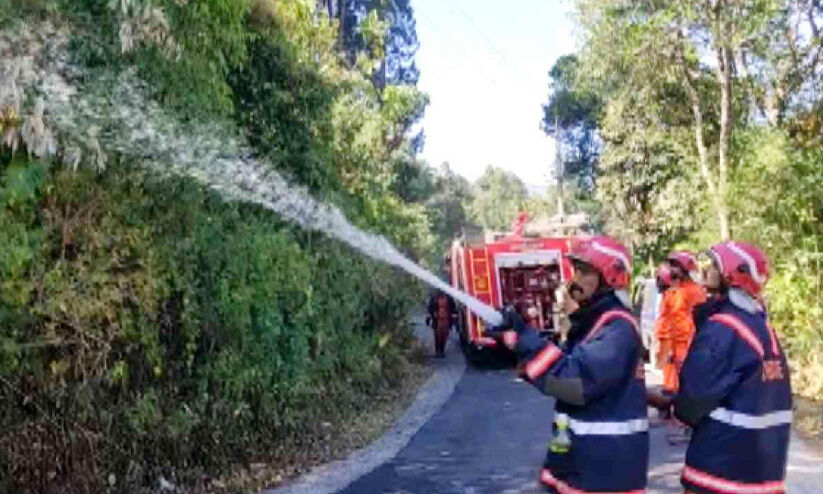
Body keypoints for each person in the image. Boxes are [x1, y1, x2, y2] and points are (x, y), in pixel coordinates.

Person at [488, 236, 648, 493]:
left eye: (584, 272)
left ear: (610, 278)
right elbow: (559, 365)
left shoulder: (617, 328)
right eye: (576, 271)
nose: (575, 280)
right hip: (582, 464)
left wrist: (523, 340)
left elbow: (573, 381)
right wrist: (516, 343)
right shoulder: (595, 322)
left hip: (604, 474)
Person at [650, 241, 792, 494]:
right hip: (764, 476)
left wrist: (673, 405)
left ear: (732, 275)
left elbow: (692, 402)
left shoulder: (723, 329)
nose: (706, 270)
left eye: (714, 265)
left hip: (719, 473)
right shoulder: (761, 328)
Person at [659, 251, 707, 396]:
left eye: (675, 266)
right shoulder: (674, 292)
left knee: (686, 384)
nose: (672, 269)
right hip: (673, 344)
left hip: (687, 344)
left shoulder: (694, 292)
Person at [426, 290, 455, 358]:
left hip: (446, 320)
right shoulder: (434, 298)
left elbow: (453, 307)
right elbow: (430, 308)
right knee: (437, 336)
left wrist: (452, 315)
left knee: (444, 336)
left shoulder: (449, 298)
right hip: (437, 320)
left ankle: (442, 350)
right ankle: (437, 351)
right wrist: (433, 313)